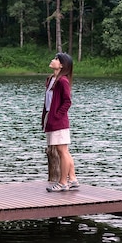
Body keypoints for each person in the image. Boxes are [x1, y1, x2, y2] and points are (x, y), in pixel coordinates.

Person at [42, 52, 79, 192]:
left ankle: (63, 182)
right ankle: (73, 178)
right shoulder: (51, 79)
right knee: (62, 150)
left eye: (56, 59)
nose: (53, 60)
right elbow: (48, 102)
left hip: (59, 121)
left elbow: (67, 101)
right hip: (52, 119)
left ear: (62, 65)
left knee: (62, 151)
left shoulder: (62, 80)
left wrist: (57, 115)